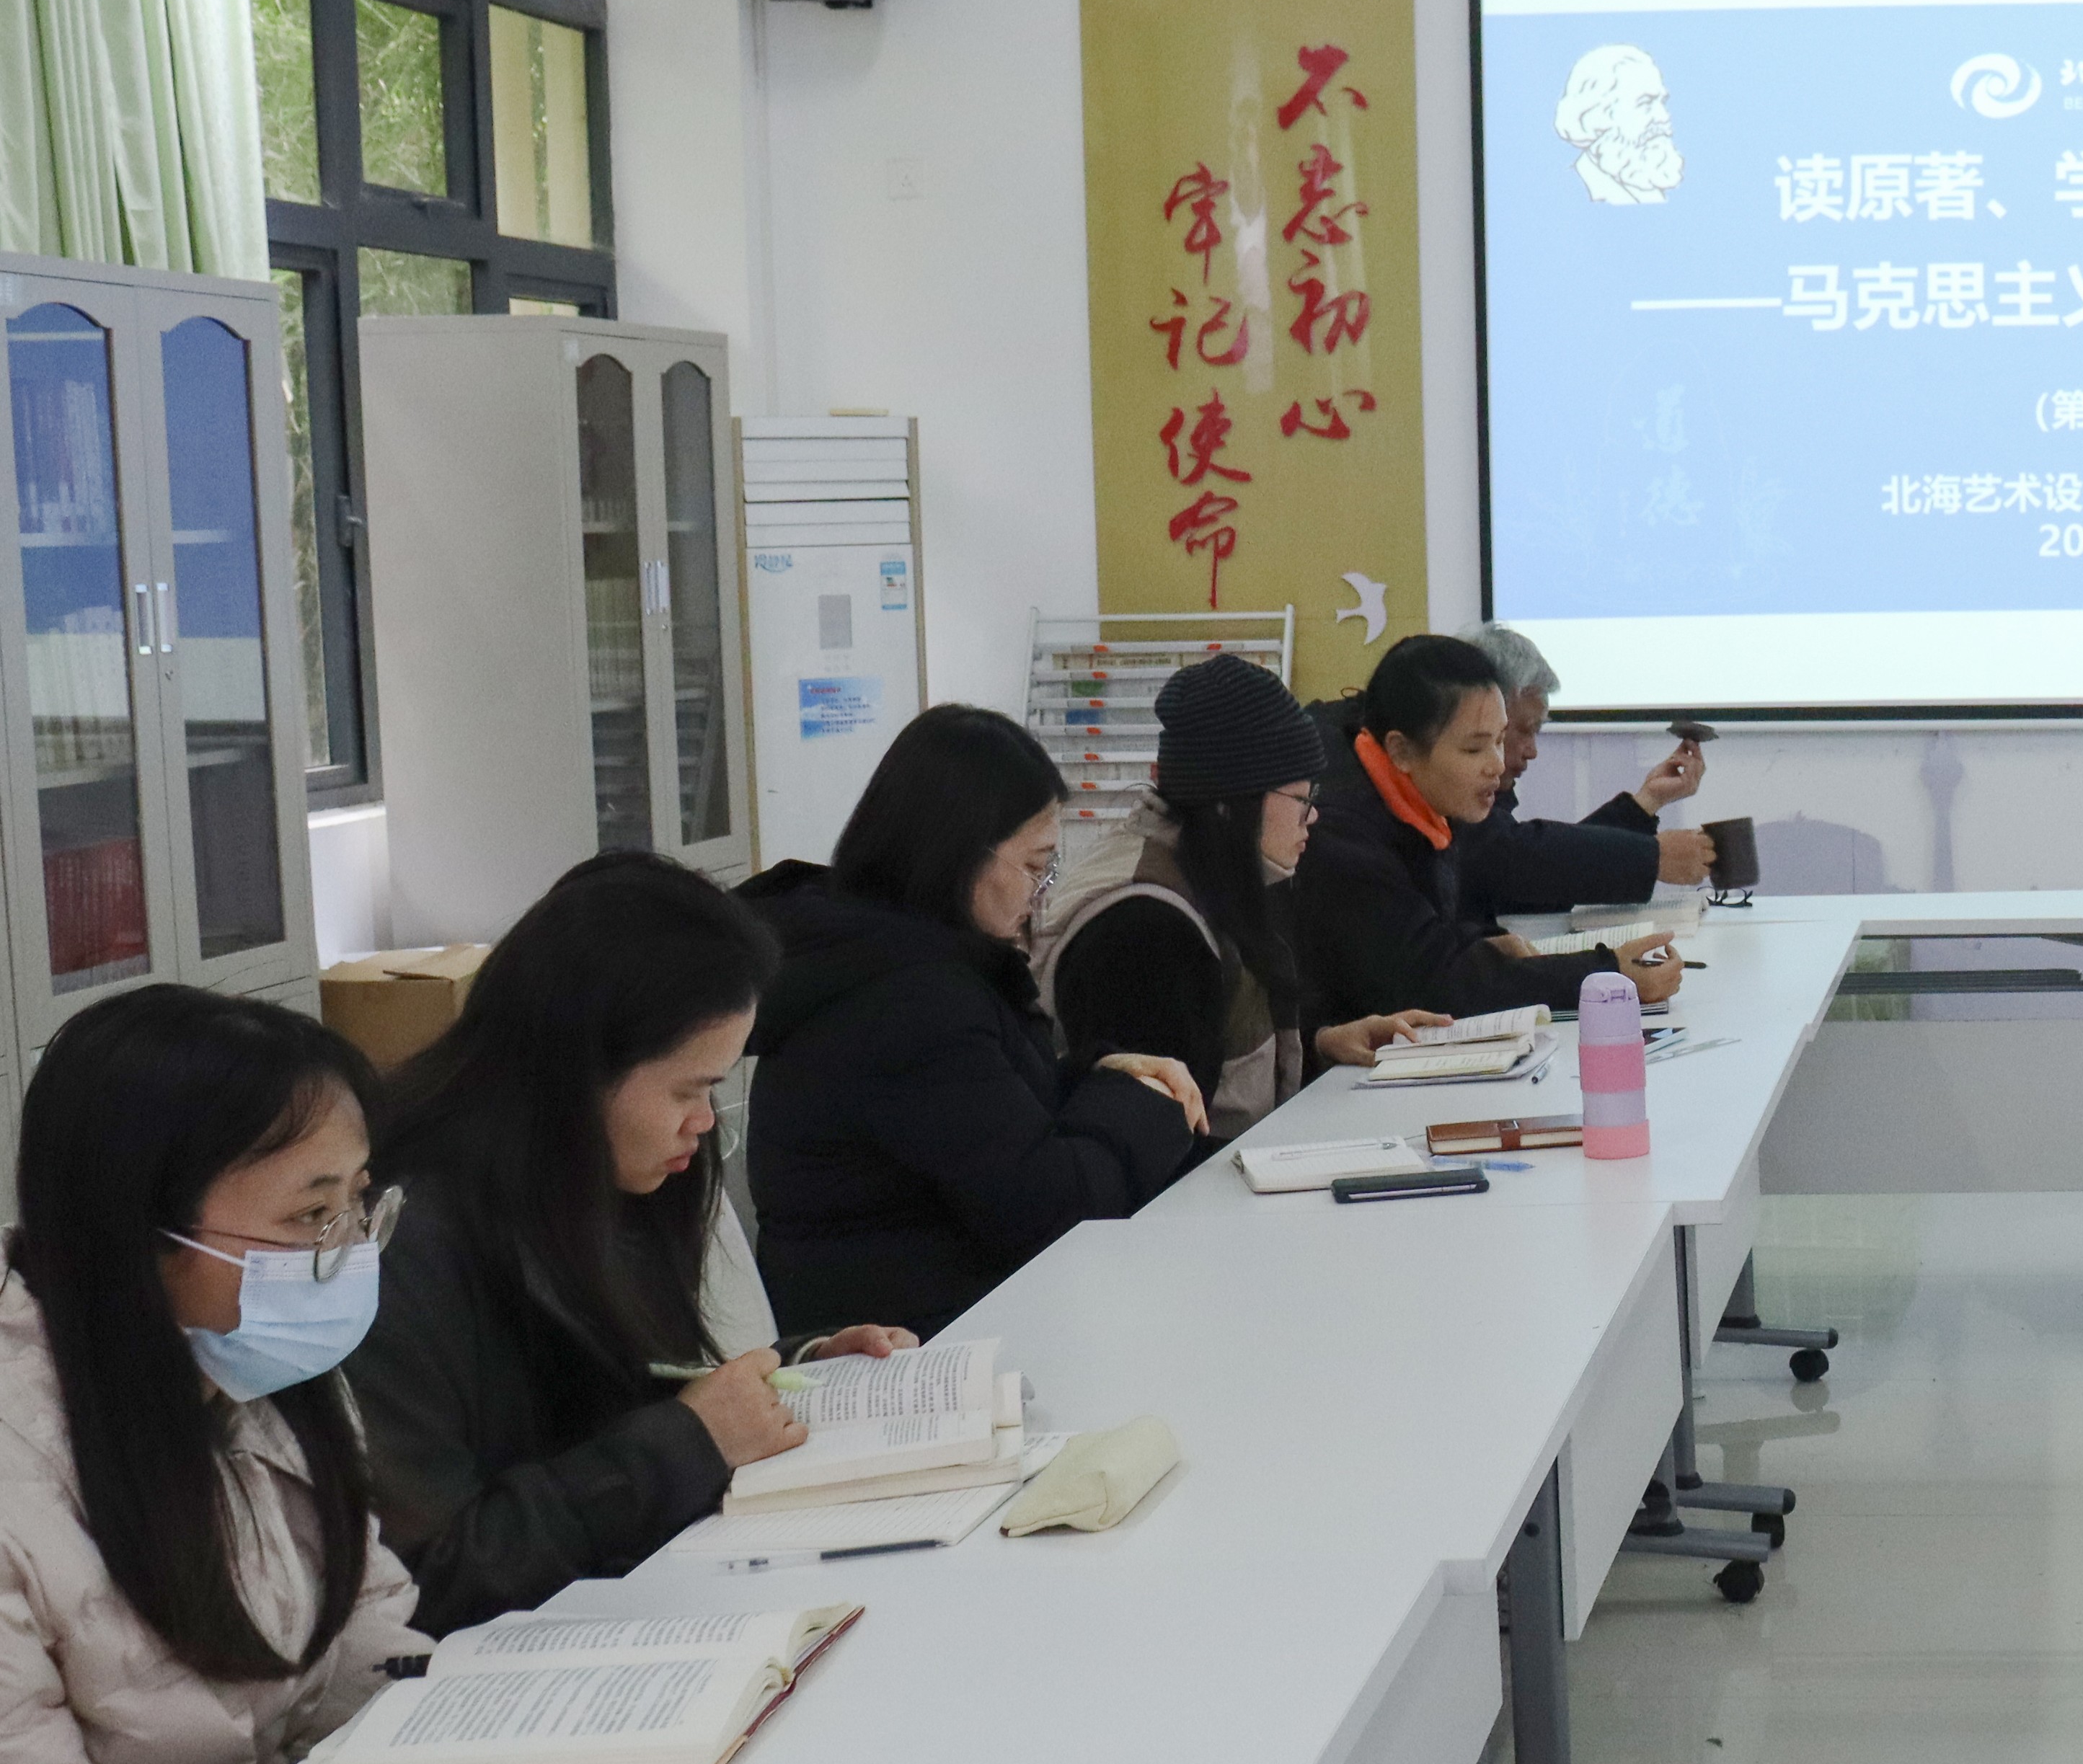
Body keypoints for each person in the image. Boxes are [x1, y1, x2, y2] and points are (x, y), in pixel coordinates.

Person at [354, 855, 919, 1632]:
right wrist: (690, 1443)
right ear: (578, 1068)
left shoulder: (592, 1183)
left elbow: (618, 1394)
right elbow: (433, 1575)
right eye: (689, 1089)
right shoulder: (400, 1243)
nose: (705, 1121)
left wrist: (793, 1373)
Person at [0, 985, 420, 1764]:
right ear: (142, 1237)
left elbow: (369, 1634)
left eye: (357, 1203)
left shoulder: (257, 1367)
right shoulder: (21, 1483)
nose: (350, 1251)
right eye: (311, 1215)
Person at [746, 706, 1204, 1337]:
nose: (1041, 892)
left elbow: (988, 1116)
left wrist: (1096, 1070)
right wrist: (1143, 1100)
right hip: (906, 1348)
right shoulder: (907, 1000)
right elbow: (1051, 1210)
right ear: (959, 855)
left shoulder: (888, 950)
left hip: (935, 1311)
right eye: (1035, 866)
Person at [1040, 656, 1436, 1135]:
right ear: (1231, 802)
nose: (1313, 817)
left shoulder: (1211, 869)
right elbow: (1154, 1140)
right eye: (1303, 799)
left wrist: (1322, 1044)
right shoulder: (1144, 929)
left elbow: (1217, 1051)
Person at [1295, 636, 1685, 1020]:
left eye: (1500, 741)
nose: (1497, 765)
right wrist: (1605, 977)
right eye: (1474, 748)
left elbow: (1415, 934)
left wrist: (1480, 944)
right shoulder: (1342, 833)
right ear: (1401, 751)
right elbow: (1429, 982)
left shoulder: (1425, 796)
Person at [1456, 622, 1715, 913]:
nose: (1533, 752)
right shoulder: (1451, 808)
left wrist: (1647, 802)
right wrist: (1653, 857)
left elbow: (1542, 879)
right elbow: (1514, 858)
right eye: (1524, 731)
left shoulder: (1486, 804)